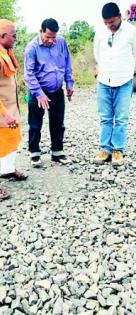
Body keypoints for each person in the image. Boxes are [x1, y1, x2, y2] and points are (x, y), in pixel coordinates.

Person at [24, 18, 74, 168]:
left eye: (54, 37)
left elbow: (67, 63)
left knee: (58, 122)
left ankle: (57, 152)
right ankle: (34, 153)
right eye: (48, 37)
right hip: (38, 91)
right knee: (35, 124)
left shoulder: (61, 42)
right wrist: (39, 94)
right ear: (41, 32)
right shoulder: (32, 48)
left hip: (57, 90)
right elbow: (28, 74)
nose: (52, 41)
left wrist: (69, 83)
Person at [94, 2, 136, 166]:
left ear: (119, 16)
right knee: (105, 118)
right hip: (104, 81)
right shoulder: (100, 32)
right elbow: (97, 54)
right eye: (106, 23)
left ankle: (118, 150)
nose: (109, 25)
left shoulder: (131, 32)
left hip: (124, 81)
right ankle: (105, 149)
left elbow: (135, 54)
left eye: (112, 22)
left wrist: (129, 72)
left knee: (121, 118)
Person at [0, 19, 28, 200]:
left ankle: (7, 170)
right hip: (2, 112)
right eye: (13, 35)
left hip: (11, 109)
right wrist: (2, 114)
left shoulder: (6, 53)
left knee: (12, 140)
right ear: (2, 36)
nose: (16, 38)